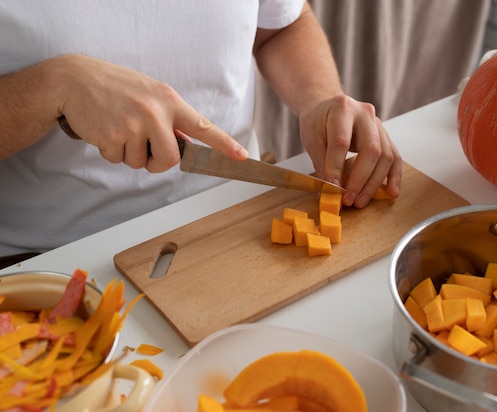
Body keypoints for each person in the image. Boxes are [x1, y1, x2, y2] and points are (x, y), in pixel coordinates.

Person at [0, 1, 402, 266]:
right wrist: (52, 86)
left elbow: (280, 25)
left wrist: (318, 99)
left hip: (238, 218)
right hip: (48, 260)